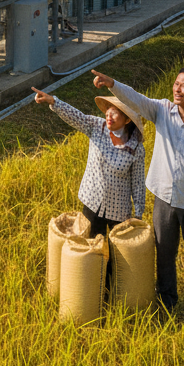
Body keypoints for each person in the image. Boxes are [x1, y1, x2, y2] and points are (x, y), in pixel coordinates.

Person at [94, 66, 184, 320]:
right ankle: (166, 302)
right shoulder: (163, 110)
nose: (177, 88)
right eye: (176, 83)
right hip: (164, 197)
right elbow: (137, 99)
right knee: (164, 254)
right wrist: (113, 84)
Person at [33, 86, 146, 261]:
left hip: (119, 211)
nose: (109, 115)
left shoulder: (136, 148)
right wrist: (53, 101)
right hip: (93, 202)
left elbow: (138, 182)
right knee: (92, 252)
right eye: (108, 110)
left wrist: (137, 215)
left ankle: (112, 287)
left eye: (115, 113)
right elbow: (76, 117)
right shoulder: (96, 127)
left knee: (118, 256)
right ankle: (94, 287)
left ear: (127, 120)